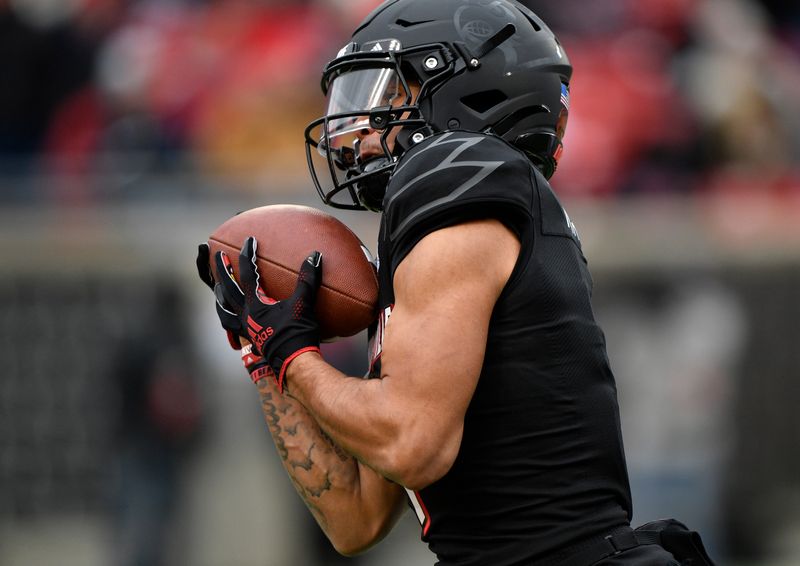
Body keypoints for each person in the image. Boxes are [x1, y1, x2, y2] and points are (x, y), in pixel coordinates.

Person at [196, 1, 714, 564]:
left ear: (463, 87)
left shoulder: (460, 174)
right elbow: (354, 518)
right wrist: (266, 354)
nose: (354, 135)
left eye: (386, 93)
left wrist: (294, 356)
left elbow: (412, 444)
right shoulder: (467, 204)